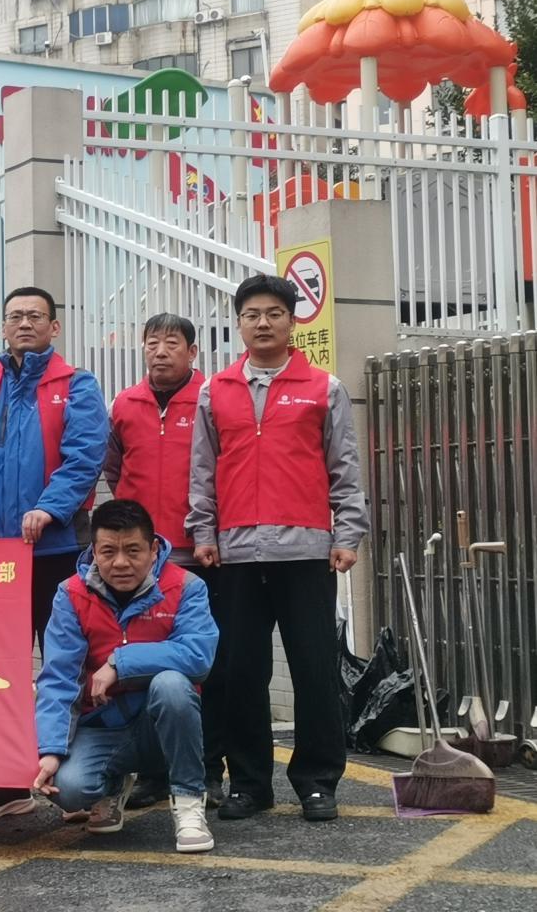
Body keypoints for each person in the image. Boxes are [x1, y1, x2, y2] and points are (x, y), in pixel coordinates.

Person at [186, 274, 369, 823]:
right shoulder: (215, 390)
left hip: (306, 552)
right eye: (251, 315)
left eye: (273, 313)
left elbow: (344, 467)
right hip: (237, 554)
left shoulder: (324, 388)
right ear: (239, 324)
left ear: (292, 321)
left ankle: (317, 781)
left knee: (315, 670)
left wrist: (348, 534)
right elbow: (203, 469)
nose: (262, 323)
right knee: (241, 672)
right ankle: (249, 784)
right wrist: (203, 532)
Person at [0, 286, 109, 821]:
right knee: (1, 669)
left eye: (35, 316)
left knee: (68, 663)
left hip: (58, 548)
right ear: (2, 326)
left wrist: (49, 509)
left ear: (53, 326)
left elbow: (84, 456)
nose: (24, 324)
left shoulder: (77, 384)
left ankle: (78, 783)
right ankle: (7, 779)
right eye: (14, 316)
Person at [33, 500, 218, 854]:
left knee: (172, 685)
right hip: (104, 724)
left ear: (153, 549)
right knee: (68, 790)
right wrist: (51, 750)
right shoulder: (70, 594)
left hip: (160, 725)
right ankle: (112, 785)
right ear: (94, 551)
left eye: (133, 551)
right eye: (108, 551)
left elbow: (198, 656)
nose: (120, 562)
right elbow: (59, 677)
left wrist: (120, 662)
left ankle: (189, 802)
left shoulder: (186, 586)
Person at [102, 314, 222, 810]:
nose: (160, 351)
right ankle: (155, 772)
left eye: (172, 343)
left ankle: (208, 769)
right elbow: (113, 469)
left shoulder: (211, 399)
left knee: (204, 669)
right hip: (141, 562)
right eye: (152, 343)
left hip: (198, 553)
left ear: (192, 352)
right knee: (150, 666)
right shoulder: (124, 404)